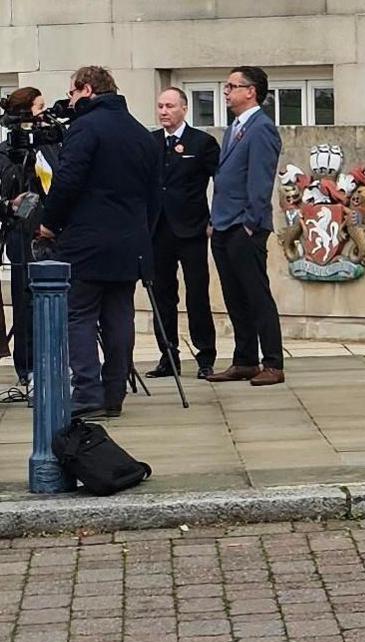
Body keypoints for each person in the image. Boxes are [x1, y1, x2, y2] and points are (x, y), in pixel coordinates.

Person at [38, 67, 159, 420]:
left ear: (86, 90)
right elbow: (154, 197)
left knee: (80, 316)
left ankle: (88, 392)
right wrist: (141, 233)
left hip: (87, 240)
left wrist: (49, 223)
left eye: (72, 94)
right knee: (119, 317)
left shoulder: (86, 128)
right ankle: (114, 392)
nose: (70, 101)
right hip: (130, 242)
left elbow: (68, 180)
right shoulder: (141, 133)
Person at [207, 65, 284, 387]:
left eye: (232, 86)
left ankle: (273, 362)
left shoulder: (262, 128)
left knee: (256, 294)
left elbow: (260, 179)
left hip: (244, 225)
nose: (226, 91)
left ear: (250, 91)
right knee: (234, 296)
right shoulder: (235, 128)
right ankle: (245, 359)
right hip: (223, 224)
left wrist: (251, 223)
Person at [147, 87, 220, 381]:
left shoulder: (202, 143)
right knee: (162, 295)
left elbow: (222, 181)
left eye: (170, 106)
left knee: (197, 294)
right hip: (157, 231)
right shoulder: (150, 143)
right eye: (160, 106)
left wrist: (216, 219)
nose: (164, 111)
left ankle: (205, 356)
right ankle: (168, 356)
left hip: (191, 229)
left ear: (184, 109)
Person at [0, 86, 57, 399]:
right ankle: (29, 368)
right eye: (39, 107)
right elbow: (10, 190)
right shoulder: (5, 151)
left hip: (53, 231)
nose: (44, 113)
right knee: (26, 302)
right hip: (23, 233)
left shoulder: (50, 145)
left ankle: (60, 364)